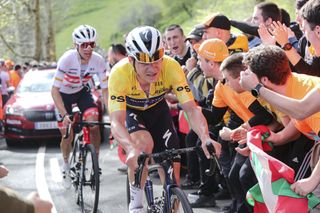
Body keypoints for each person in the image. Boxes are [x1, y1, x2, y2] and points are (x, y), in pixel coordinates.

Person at [107, 26, 221, 213]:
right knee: (142, 147)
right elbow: (116, 121)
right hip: (132, 111)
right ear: (131, 60)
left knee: (172, 174)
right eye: (144, 63)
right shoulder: (119, 74)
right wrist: (130, 149)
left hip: (158, 111)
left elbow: (191, 109)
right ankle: (135, 204)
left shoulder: (171, 67)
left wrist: (205, 137)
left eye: (156, 61)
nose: (152, 69)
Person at [239, 44, 320, 197]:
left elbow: (302, 111)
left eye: (250, 73)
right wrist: (275, 139)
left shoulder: (303, 91)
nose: (245, 76)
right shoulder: (288, 87)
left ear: (264, 80)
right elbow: (301, 122)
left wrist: (313, 179)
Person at [51, 25, 108, 185]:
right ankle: (66, 165)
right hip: (63, 95)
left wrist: (113, 113)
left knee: (94, 122)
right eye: (84, 45)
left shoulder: (98, 60)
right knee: (67, 133)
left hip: (82, 92)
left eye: (91, 44)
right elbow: (54, 91)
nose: (88, 48)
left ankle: (95, 162)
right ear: (76, 45)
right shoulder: (67, 59)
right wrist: (64, 115)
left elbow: (105, 91)